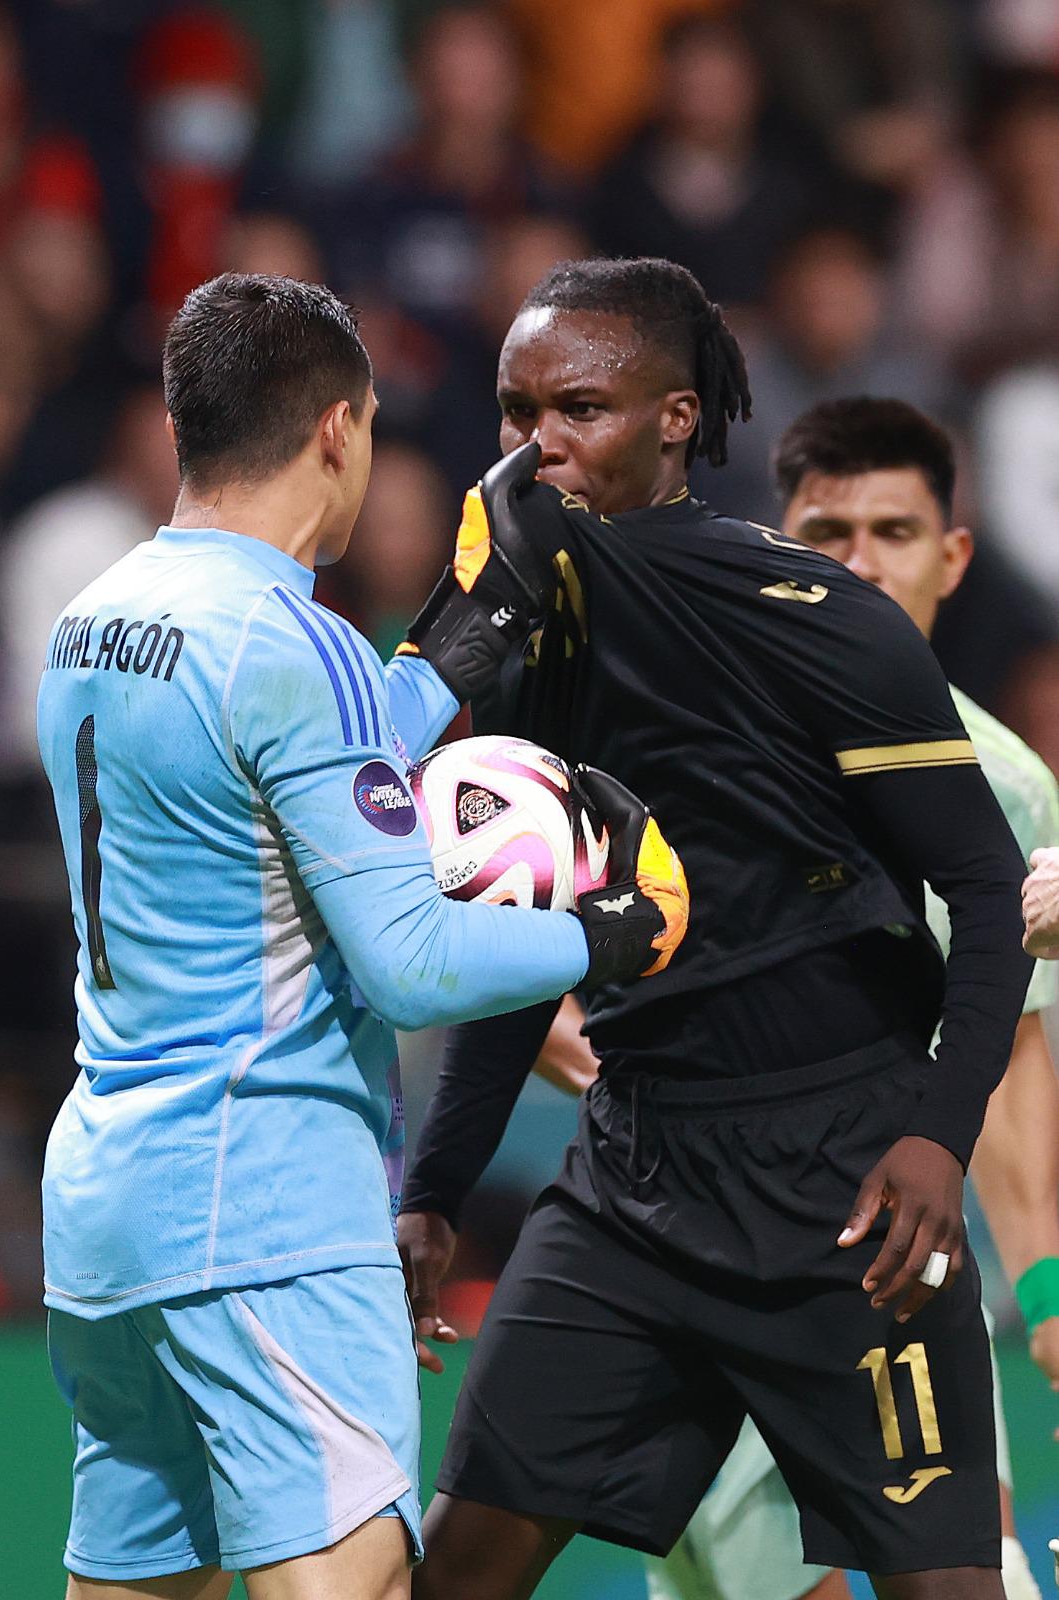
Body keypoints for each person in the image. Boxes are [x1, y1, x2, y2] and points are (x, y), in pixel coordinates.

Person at [37, 271, 687, 1600]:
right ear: (339, 430)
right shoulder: (296, 640)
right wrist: (613, 933)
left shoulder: (89, 620)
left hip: (110, 1209)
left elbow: (260, 796)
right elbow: (409, 959)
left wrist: (439, 661)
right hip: (265, 1206)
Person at [395, 257, 1032, 1600]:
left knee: (947, 1590)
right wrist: (433, 1193)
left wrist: (935, 1135)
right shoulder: (516, 642)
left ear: (676, 418)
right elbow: (535, 933)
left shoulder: (819, 621)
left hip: (846, 1191)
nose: (536, 448)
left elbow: (984, 891)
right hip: (631, 1185)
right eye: (516, 413)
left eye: (578, 409)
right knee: (454, 1572)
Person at [641, 396, 1059, 1600]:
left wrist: (1040, 1288)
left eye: (892, 529)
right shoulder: (681, 746)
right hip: (692, 1279)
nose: (861, 562)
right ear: (780, 543)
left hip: (887, 1310)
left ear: (953, 556)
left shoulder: (1010, 792)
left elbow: (1016, 1069)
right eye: (828, 531)